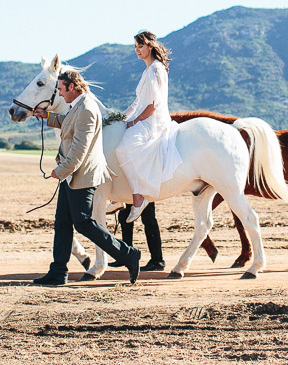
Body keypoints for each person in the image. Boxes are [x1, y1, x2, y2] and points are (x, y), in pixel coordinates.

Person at [31, 70, 141, 286]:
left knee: (84, 224)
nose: (60, 95)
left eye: (62, 89)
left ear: (72, 87)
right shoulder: (78, 106)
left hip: (82, 175)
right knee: (62, 223)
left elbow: (80, 148)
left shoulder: (88, 108)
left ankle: (128, 254)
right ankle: (58, 272)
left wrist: (61, 170)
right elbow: (70, 123)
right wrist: (49, 117)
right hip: (72, 175)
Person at [114, 30, 181, 224]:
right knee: (119, 141)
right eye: (135, 47)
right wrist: (121, 118)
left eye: (140, 46)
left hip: (153, 121)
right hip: (143, 118)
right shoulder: (147, 70)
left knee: (123, 148)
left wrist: (135, 122)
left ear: (150, 46)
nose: (137, 50)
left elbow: (153, 104)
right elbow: (137, 102)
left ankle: (138, 197)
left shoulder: (157, 69)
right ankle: (117, 196)